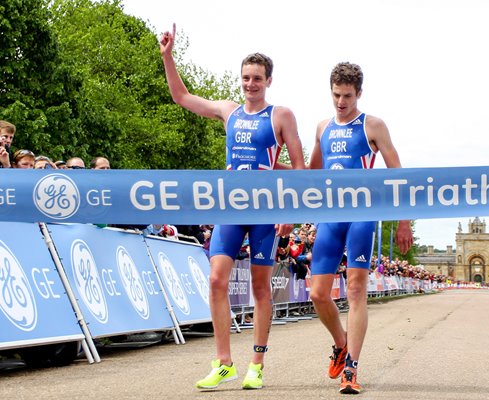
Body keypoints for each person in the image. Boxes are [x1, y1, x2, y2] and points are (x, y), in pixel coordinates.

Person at [159, 23, 305, 390]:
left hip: (265, 212)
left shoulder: (281, 116)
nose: (250, 84)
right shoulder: (229, 111)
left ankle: (256, 363)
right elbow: (182, 97)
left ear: (269, 80)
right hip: (230, 207)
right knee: (216, 279)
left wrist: (291, 215)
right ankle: (223, 362)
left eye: (257, 78)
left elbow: (300, 171)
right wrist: (167, 57)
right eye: (245, 78)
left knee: (260, 288)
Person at [306, 62, 413, 394]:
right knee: (318, 293)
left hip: (362, 216)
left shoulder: (373, 126)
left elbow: (399, 175)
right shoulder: (323, 127)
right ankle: (341, 343)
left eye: (348, 96)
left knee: (355, 290)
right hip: (330, 217)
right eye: (336, 95)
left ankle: (351, 368)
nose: (341, 102)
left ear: (359, 94)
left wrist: (403, 222)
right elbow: (309, 175)